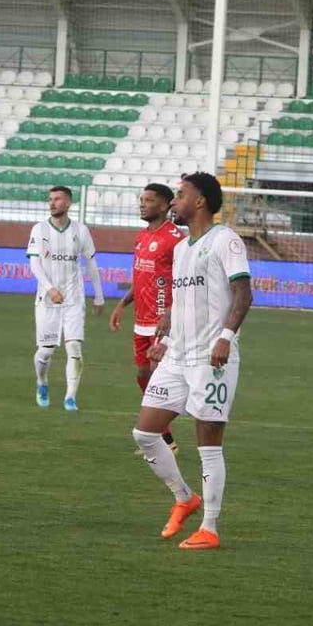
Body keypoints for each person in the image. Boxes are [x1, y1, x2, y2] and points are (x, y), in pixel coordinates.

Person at [130, 172, 252, 551]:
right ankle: (185, 497)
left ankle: (210, 528)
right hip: (178, 356)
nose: (174, 202)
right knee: (145, 433)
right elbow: (181, 304)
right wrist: (164, 341)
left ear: (199, 202)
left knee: (208, 444)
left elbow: (243, 294)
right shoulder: (182, 248)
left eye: (180, 196)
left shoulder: (225, 240)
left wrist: (225, 338)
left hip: (210, 359)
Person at [110, 183, 184, 453]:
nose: (143, 204)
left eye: (149, 200)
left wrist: (170, 314)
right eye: (141, 199)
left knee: (157, 377)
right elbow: (142, 276)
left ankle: (158, 437)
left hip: (163, 320)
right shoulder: (141, 236)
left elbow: (183, 281)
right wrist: (123, 303)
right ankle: (163, 434)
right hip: (141, 319)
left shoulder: (176, 238)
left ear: (164, 205)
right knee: (142, 375)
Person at [26, 185, 104, 411]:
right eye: (50, 199)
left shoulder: (81, 231)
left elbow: (91, 263)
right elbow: (34, 263)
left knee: (74, 349)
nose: (52, 203)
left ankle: (71, 396)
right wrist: (50, 288)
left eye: (57, 199)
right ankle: (42, 382)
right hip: (47, 299)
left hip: (73, 298)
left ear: (68, 203)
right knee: (46, 351)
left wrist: (98, 296)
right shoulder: (39, 229)